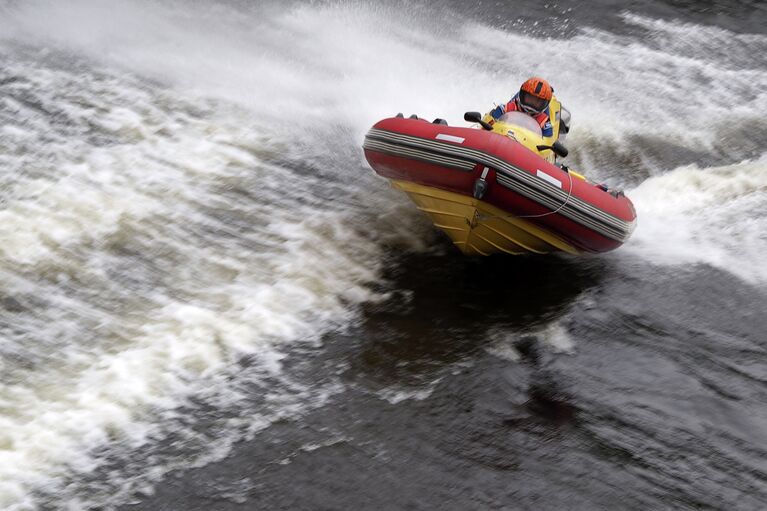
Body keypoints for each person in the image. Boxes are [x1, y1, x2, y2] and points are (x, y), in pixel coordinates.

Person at [484, 76, 570, 143]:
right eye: (529, 98)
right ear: (522, 95)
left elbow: (548, 143)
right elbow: (488, 121)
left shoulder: (545, 122)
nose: (532, 103)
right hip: (502, 138)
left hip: (528, 149)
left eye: (537, 101)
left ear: (544, 104)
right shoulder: (506, 108)